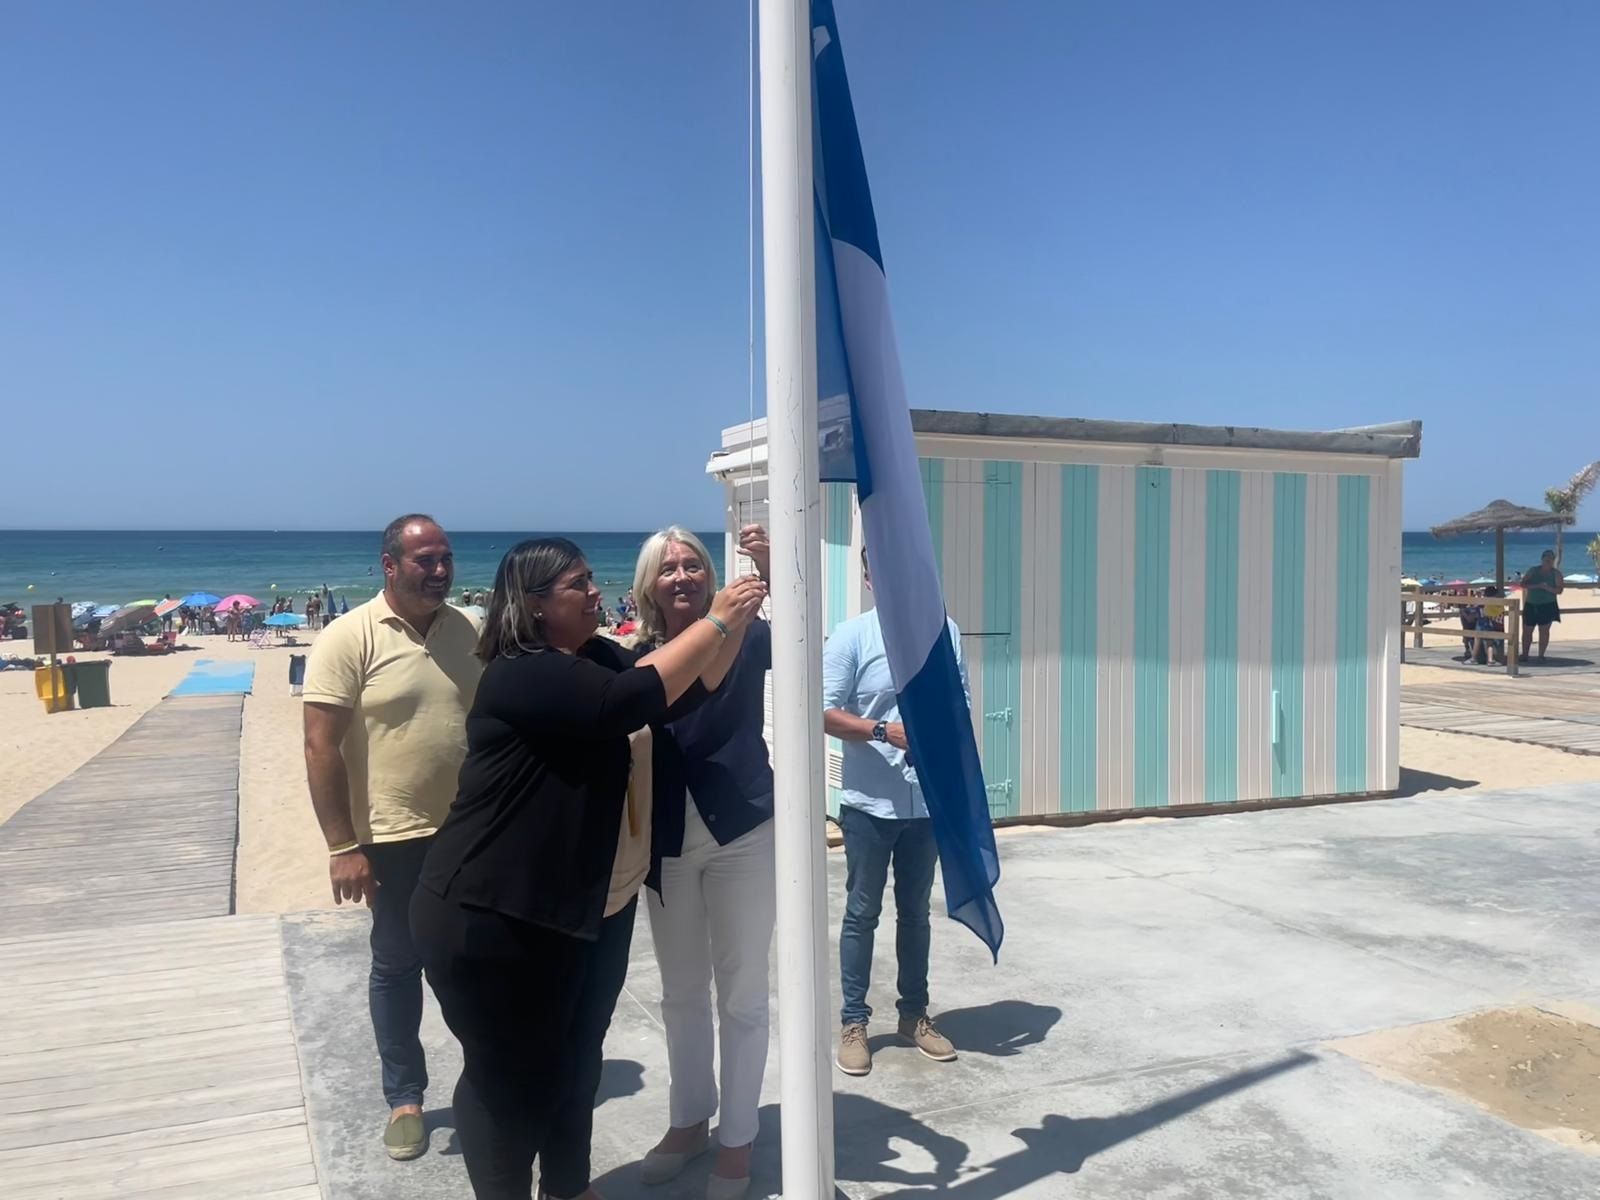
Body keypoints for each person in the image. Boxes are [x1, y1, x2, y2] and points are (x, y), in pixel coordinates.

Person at [410, 538, 766, 1199]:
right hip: (489, 914)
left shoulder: (596, 656)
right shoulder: (522, 672)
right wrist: (717, 619)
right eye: (578, 584)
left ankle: (569, 1188)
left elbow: (687, 689)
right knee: (506, 1082)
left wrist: (738, 616)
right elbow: (624, 703)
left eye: (591, 578)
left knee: (575, 1060)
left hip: (570, 910)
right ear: (535, 605)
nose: (597, 591)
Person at [302, 514, 482, 1162]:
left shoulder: (470, 629)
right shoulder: (347, 637)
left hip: (470, 829)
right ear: (389, 565)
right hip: (392, 836)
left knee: (475, 961)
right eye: (424, 560)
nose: (439, 571)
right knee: (399, 963)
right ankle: (405, 1097)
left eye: (446, 558)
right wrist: (341, 846)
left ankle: (487, 1081)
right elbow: (319, 745)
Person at [633, 526, 774, 1200]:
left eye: (692, 564)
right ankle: (689, 1120)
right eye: (668, 569)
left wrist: (769, 562)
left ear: (710, 575)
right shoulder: (636, 657)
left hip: (742, 829)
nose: (682, 576)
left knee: (742, 993)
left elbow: (801, 630)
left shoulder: (747, 636)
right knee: (681, 992)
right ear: (649, 586)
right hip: (666, 842)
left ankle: (737, 1138)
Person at [822, 545, 966, 1077]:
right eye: (881, 569)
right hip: (869, 804)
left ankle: (914, 1015)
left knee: (916, 913)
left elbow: (961, 704)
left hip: (924, 804)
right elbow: (822, 711)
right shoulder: (851, 637)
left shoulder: (944, 634)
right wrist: (883, 730)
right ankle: (854, 1022)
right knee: (862, 913)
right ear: (868, 577)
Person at [1520, 550, 1565, 662]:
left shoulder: (1556, 574)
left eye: (1550, 559)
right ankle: (1525, 654)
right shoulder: (1533, 570)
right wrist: (1537, 586)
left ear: (1553, 560)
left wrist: (1547, 588)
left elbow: (1559, 590)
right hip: (1531, 604)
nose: (1548, 561)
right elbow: (1523, 584)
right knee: (1527, 631)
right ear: (1542, 559)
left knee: (1544, 631)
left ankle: (1541, 655)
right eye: (1546, 559)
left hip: (1548, 605)